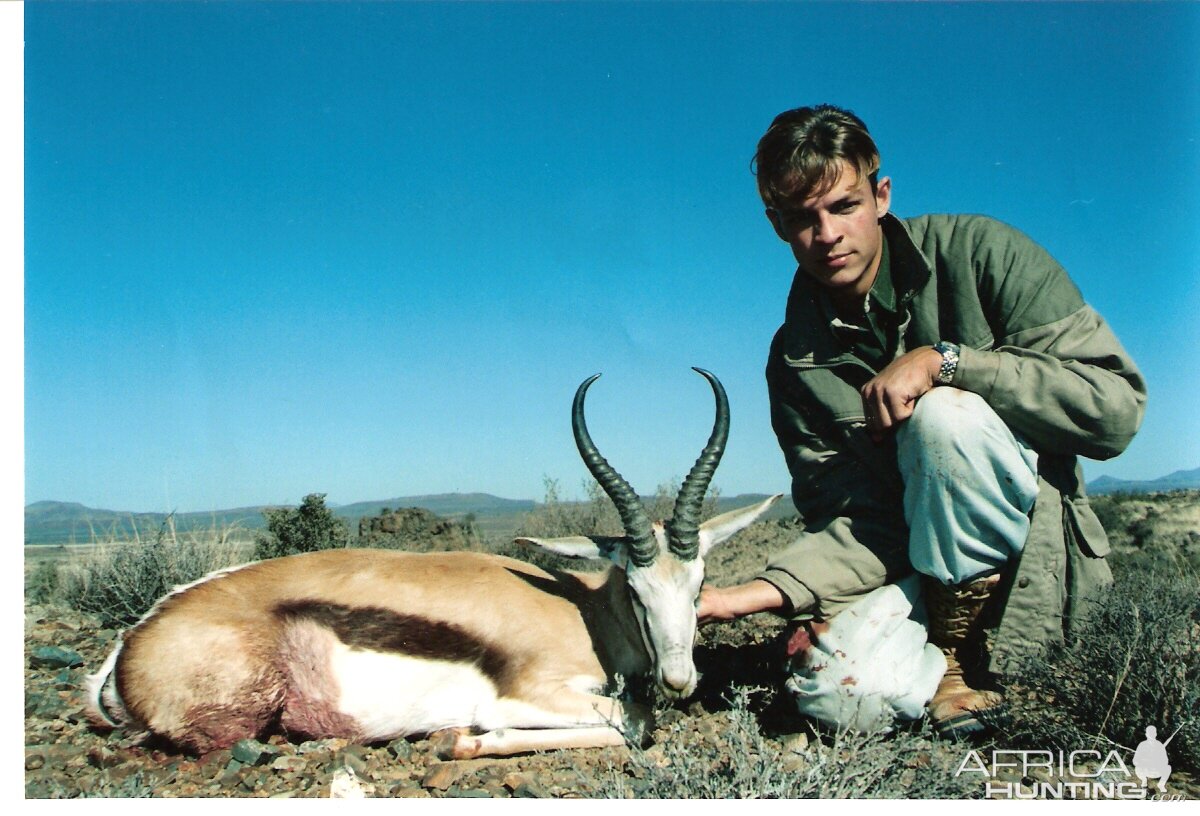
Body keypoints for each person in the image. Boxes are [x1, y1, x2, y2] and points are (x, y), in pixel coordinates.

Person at [698, 104, 1146, 736]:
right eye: (802, 218)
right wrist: (760, 594)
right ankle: (938, 660)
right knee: (836, 698)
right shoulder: (795, 358)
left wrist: (949, 362)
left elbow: (1116, 410)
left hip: (1036, 566)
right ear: (777, 226)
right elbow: (855, 519)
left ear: (881, 196)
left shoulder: (983, 253)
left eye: (844, 206)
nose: (827, 235)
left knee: (944, 418)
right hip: (912, 573)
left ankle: (960, 664)